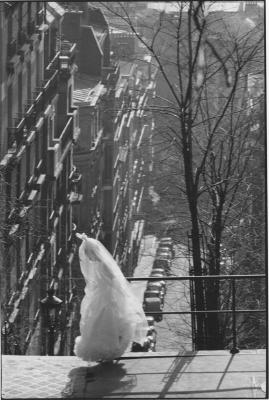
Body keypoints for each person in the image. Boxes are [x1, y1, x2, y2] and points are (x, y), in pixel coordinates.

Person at [74, 233, 148, 362]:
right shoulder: (98, 264)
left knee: (105, 324)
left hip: (108, 298)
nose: (87, 258)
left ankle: (108, 351)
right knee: (98, 324)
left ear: (93, 252)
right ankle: (104, 352)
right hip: (101, 296)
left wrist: (106, 292)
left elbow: (114, 280)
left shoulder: (104, 265)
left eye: (88, 254)